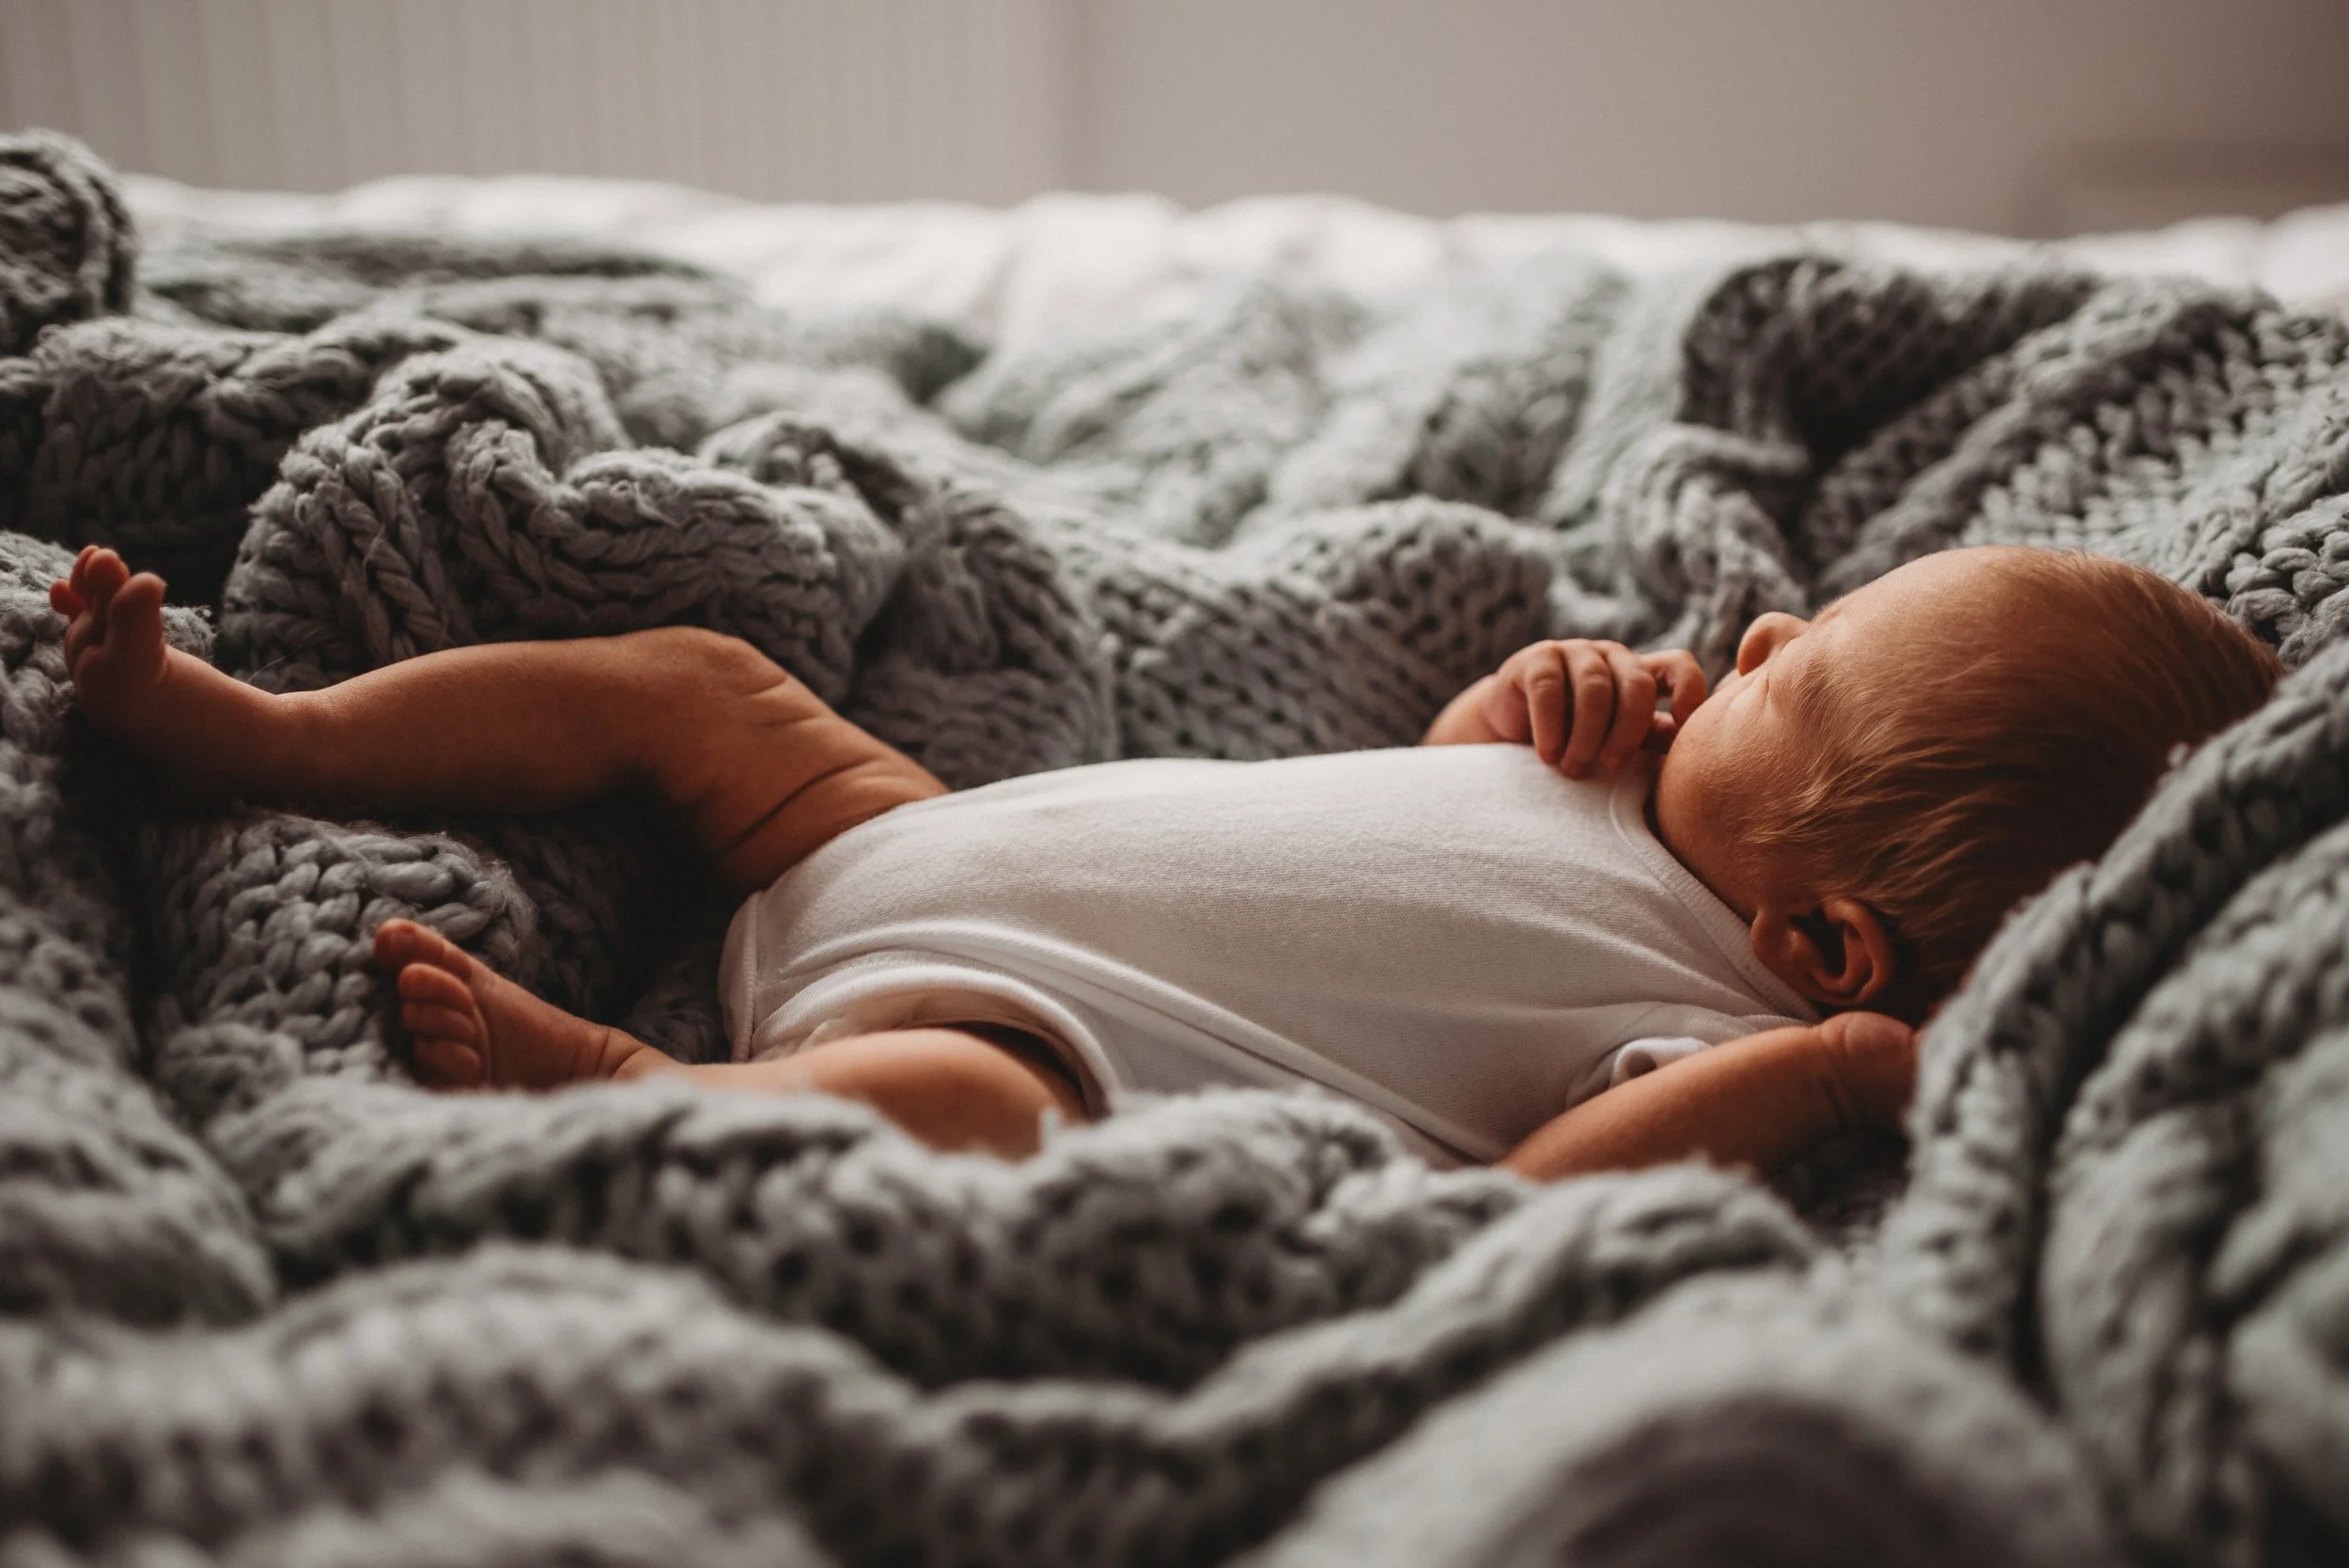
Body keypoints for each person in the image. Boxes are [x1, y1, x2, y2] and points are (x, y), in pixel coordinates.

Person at [53, 542, 2279, 1179]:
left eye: (1793, 686)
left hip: (1003, 1016)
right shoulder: (1619, 778)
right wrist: (1519, 700)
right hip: (912, 838)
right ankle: (267, 730)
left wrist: (1823, 1081)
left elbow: (1533, 1206)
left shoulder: (1693, 1026)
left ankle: (636, 1100)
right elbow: (1404, 820)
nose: (1752, 639)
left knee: (964, 1121)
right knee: (703, 682)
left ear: (1821, 940)